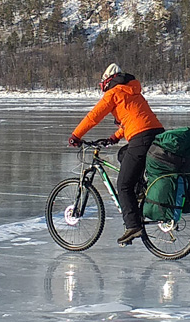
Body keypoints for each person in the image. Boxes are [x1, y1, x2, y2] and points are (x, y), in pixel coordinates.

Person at [69, 63, 165, 244]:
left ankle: (133, 226)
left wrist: (76, 135)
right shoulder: (133, 91)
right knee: (123, 154)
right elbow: (133, 119)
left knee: (123, 185)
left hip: (141, 138)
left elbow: (94, 116)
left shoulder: (114, 93)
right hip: (156, 134)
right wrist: (115, 137)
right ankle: (140, 192)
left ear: (108, 81)